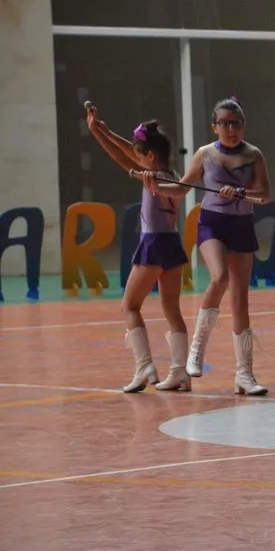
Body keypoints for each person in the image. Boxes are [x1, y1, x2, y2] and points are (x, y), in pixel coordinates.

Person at [145, 96, 270, 395]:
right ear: (214, 127)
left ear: (243, 125)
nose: (231, 129)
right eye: (224, 124)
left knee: (240, 300)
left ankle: (244, 375)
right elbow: (182, 188)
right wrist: (155, 185)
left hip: (242, 225)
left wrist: (241, 192)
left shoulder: (254, 155)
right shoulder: (205, 154)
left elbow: (265, 195)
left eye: (236, 123)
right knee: (219, 277)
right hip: (212, 223)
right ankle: (197, 349)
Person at [85, 105, 190, 393]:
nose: (137, 158)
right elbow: (131, 152)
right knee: (172, 310)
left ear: (150, 157)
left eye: (141, 156)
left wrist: (97, 135)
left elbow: (121, 158)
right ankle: (180, 372)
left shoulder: (153, 177)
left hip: (154, 244)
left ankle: (144, 366)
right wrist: (104, 130)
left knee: (130, 306)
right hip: (172, 244)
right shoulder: (170, 172)